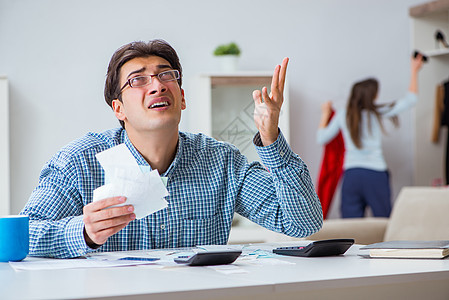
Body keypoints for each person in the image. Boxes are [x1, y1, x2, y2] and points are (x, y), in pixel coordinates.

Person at [21, 40, 323, 258]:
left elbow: (302, 223)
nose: (157, 85)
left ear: (182, 98)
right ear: (118, 109)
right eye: (138, 79)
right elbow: (22, 236)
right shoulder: (79, 162)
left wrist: (271, 139)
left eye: (166, 75)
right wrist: (83, 233)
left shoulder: (222, 161)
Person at [317, 55, 424, 218]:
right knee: (383, 223)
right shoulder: (377, 112)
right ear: (372, 96)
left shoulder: (343, 115)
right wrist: (414, 70)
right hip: (376, 175)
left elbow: (321, 138)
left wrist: (325, 114)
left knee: (351, 229)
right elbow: (411, 99)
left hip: (351, 176)